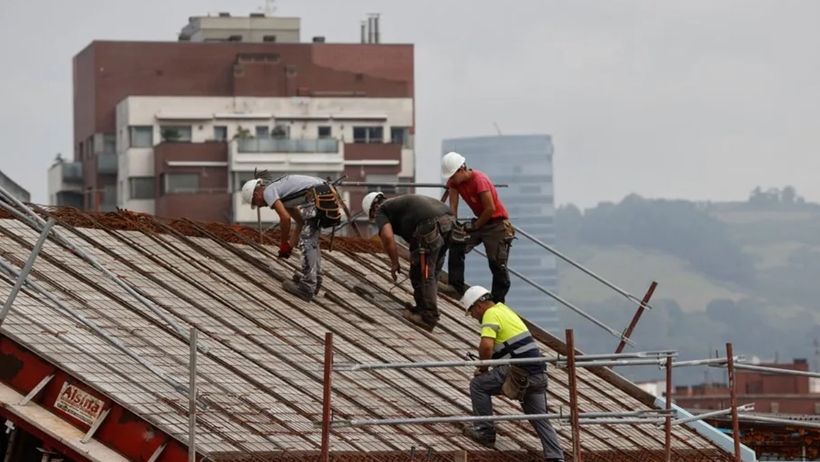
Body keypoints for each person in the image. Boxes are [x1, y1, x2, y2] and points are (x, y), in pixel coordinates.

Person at [461, 285, 564, 461]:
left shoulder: (490, 314)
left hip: (519, 372)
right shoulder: (504, 310)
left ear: (479, 305)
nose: (473, 316)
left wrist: (483, 368)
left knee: (478, 385)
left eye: (471, 311)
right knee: (540, 417)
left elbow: (486, 345)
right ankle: (556, 457)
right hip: (537, 373)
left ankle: (484, 431)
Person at [362, 192, 456, 331]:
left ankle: (428, 317)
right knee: (430, 272)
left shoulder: (381, 210)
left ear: (372, 210)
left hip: (429, 226)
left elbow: (388, 238)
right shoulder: (397, 203)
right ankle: (422, 308)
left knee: (423, 273)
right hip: (449, 223)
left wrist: (394, 262)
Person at [241, 174, 342, 301]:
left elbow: (285, 219)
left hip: (317, 196)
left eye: (256, 203)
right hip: (325, 194)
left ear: (256, 194)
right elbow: (300, 222)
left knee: (307, 241)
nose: (260, 206)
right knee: (311, 240)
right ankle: (315, 280)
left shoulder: (268, 192)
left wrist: (283, 243)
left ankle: (307, 286)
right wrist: (289, 246)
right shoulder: (284, 196)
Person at [442, 151, 514, 303]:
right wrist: (454, 224)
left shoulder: (479, 180)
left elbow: (490, 208)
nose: (452, 180)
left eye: (453, 176)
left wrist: (475, 226)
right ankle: (455, 286)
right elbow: (453, 205)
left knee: (497, 264)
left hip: (496, 224)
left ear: (461, 170)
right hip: (480, 222)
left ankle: (497, 302)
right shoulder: (454, 182)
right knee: (457, 244)